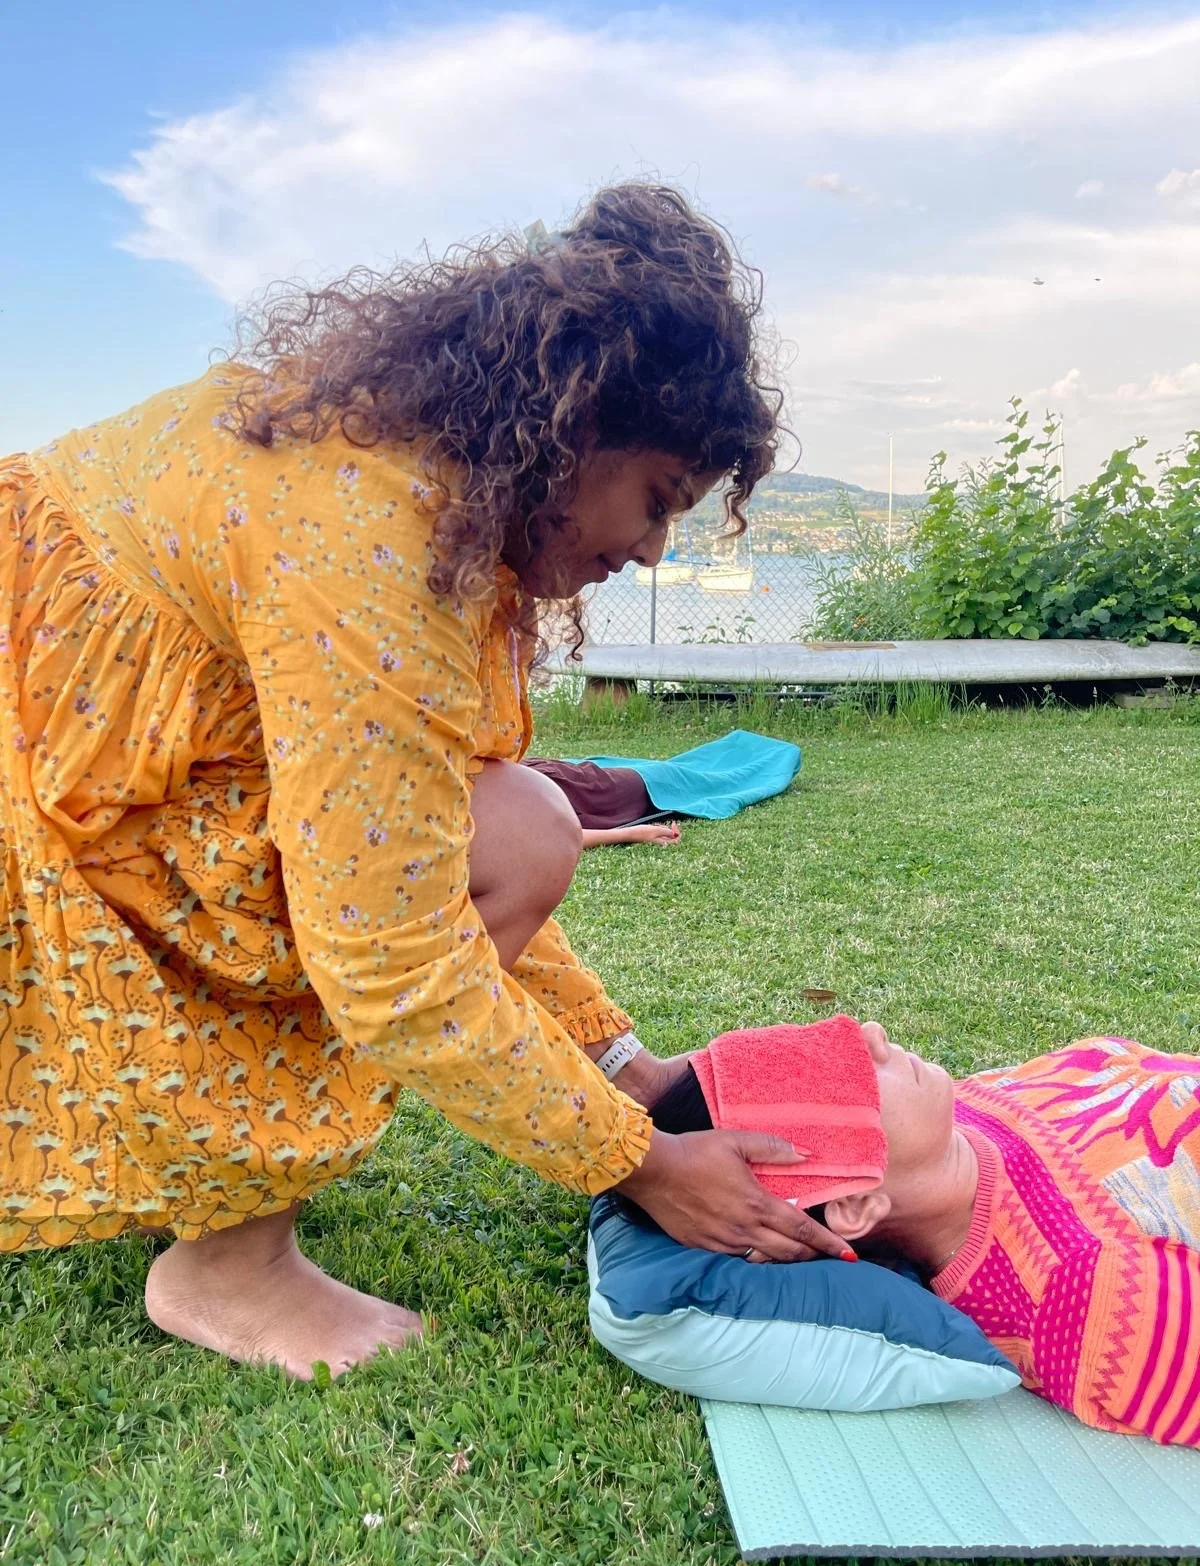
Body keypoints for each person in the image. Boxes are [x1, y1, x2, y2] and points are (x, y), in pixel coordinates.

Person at [0, 183, 847, 1380]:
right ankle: (226, 1268)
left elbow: (432, 825)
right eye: (658, 500)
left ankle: (217, 1212)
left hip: (79, 719)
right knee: (495, 844)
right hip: (39, 733)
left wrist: (621, 1066)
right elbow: (392, 955)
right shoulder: (368, 533)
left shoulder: (442, 488)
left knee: (516, 821)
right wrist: (634, 1161)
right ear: (575, 421)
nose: (656, 549)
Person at [650, 1016, 1200, 1447]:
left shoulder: (965, 1108)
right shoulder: (1091, 1295)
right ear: (855, 1203)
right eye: (848, 1075)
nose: (872, 1035)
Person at [521, 758, 681, 848]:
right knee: (665, 776)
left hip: (544, 777)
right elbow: (552, 837)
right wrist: (632, 833)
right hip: (564, 794)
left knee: (664, 775)